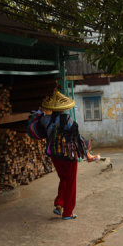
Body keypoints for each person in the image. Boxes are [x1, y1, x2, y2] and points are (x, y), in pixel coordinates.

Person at [28, 90, 99, 220]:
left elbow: (37, 124)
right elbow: (77, 138)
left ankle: (59, 204)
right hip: (68, 155)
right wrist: (87, 154)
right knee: (71, 182)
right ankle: (68, 213)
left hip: (54, 154)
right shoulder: (67, 119)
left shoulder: (45, 120)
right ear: (63, 108)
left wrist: (41, 111)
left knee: (64, 178)